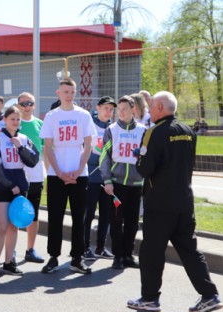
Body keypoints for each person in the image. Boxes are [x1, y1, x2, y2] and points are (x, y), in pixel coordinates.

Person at [128, 91, 222, 312]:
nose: (149, 110)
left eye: (151, 106)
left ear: (160, 107)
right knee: (190, 250)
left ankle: (150, 298)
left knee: (151, 251)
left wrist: (138, 157)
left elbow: (145, 169)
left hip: (159, 203)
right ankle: (210, 295)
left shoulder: (153, 132)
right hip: (184, 201)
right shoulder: (189, 131)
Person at [39, 78, 96, 275]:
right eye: (65, 92)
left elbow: (88, 145)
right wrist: (59, 172)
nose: (69, 95)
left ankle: (77, 258)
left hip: (79, 174)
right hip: (57, 174)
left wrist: (79, 170)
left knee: (79, 217)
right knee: (56, 216)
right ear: (58, 93)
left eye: (72, 92)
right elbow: (47, 147)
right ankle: (53, 257)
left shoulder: (83, 115)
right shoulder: (52, 116)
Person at [0, 106, 39, 277]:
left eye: (18, 120)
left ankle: (9, 262)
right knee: (2, 226)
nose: (15, 123)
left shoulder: (23, 139)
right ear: (5, 119)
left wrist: (20, 148)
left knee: (13, 227)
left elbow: (33, 160)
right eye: (12, 119)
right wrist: (10, 185)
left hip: (20, 186)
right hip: (3, 187)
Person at [100, 96, 145, 270]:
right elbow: (104, 157)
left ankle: (128, 255)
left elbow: (147, 156)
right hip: (116, 183)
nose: (121, 112)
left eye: (125, 109)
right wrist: (107, 180)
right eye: (119, 109)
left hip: (136, 184)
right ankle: (117, 256)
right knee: (117, 221)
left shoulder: (143, 130)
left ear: (133, 109)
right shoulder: (112, 129)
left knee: (133, 222)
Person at [82, 96, 116, 261]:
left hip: (107, 179)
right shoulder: (90, 125)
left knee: (106, 214)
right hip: (91, 177)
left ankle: (100, 247)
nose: (108, 112)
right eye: (105, 108)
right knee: (88, 214)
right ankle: (84, 247)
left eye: (111, 109)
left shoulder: (113, 127)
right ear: (98, 108)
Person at [16, 92, 46, 263]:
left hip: (36, 176)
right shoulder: (14, 124)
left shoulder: (40, 124)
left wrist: (48, 175)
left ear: (34, 105)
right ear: (18, 105)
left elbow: (45, 152)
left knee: (33, 214)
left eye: (30, 103)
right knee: (13, 213)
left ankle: (30, 249)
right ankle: (10, 251)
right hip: (18, 177)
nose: (27, 107)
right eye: (23, 103)